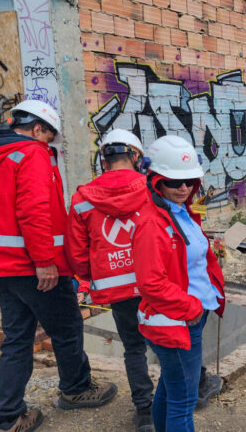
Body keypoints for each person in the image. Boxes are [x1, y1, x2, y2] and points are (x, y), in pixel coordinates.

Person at [0, 100, 117, 432]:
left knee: (17, 339)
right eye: (48, 136)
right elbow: (34, 212)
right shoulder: (31, 153)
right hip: (33, 267)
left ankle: (9, 417)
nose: (48, 144)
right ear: (37, 129)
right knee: (67, 327)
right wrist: (45, 261)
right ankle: (75, 390)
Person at [132, 135, 225, 432]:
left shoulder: (177, 211)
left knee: (171, 390)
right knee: (183, 402)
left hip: (187, 316)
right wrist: (192, 308)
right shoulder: (152, 223)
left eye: (188, 180)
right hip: (178, 321)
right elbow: (151, 283)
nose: (183, 188)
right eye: (174, 182)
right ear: (156, 181)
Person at [65, 129, 155, 432]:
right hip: (155, 282)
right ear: (136, 157)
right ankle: (185, 393)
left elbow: (77, 253)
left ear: (104, 160)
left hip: (116, 288)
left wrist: (89, 277)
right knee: (172, 341)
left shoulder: (82, 198)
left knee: (134, 348)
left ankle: (145, 411)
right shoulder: (154, 189)